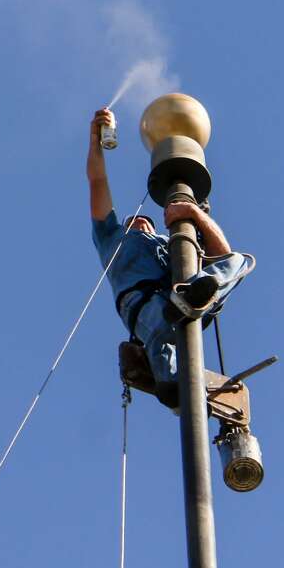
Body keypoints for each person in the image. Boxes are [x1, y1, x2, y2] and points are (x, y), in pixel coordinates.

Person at [87, 108, 255, 410]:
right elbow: (97, 181)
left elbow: (222, 255)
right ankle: (176, 391)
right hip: (145, 307)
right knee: (167, 359)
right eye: (132, 222)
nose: (141, 222)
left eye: (147, 222)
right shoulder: (111, 238)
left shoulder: (173, 247)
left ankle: (191, 300)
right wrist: (95, 142)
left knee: (239, 262)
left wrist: (194, 215)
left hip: (181, 299)